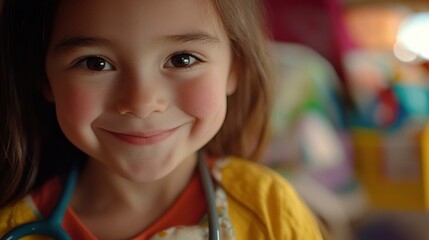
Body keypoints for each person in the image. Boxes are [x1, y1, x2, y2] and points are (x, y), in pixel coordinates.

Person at [0, 0, 324, 239]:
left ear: (234, 68)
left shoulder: (271, 214)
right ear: (43, 77)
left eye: (182, 59)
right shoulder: (11, 228)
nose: (141, 103)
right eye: (95, 63)